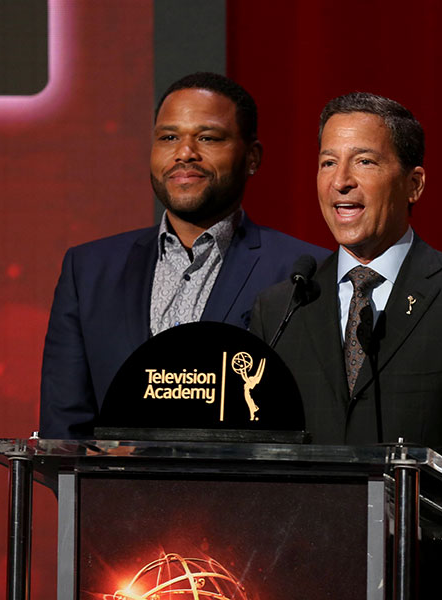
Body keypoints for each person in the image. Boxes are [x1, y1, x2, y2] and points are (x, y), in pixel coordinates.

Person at [249, 92, 442, 598]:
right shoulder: (283, 307)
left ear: (414, 183)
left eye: (364, 161)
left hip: (432, 577)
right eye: (327, 163)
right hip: (301, 576)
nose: (341, 181)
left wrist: (393, 477)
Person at [39, 72, 328, 439]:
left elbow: (311, 425)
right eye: (169, 137)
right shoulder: (89, 270)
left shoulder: (305, 275)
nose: (185, 153)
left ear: (252, 158)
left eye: (208, 138)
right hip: (115, 495)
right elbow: (63, 430)